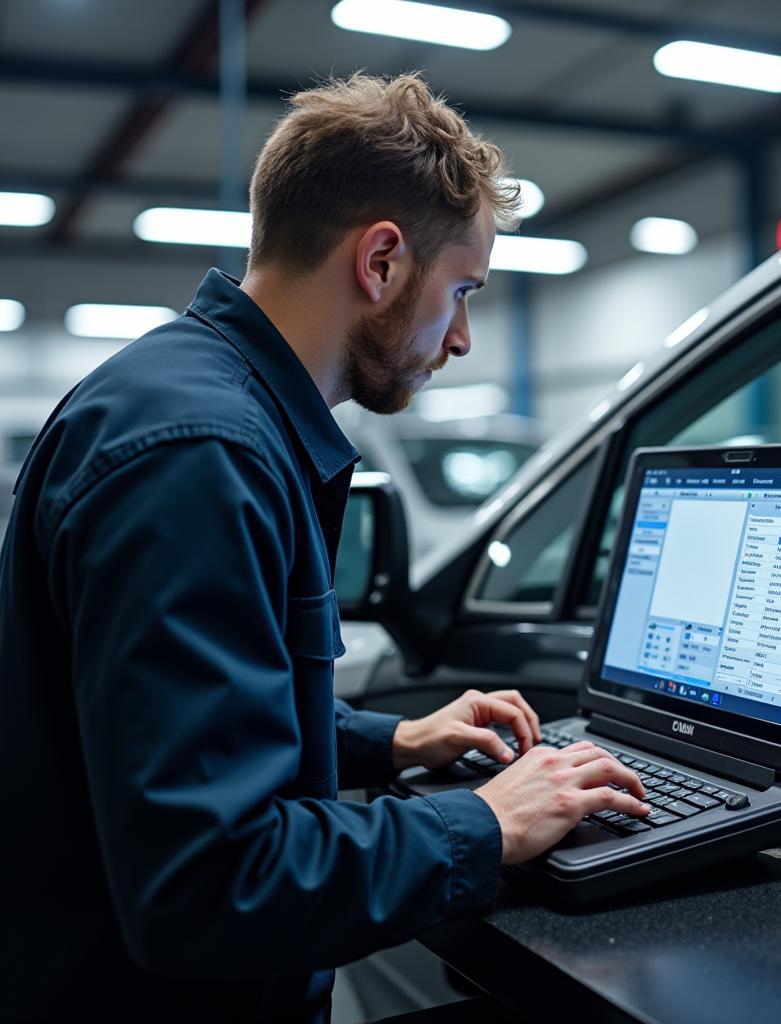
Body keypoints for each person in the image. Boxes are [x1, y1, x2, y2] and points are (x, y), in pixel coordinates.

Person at [0, 73, 648, 1022]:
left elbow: (177, 727)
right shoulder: (202, 457)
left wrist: (393, 742)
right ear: (381, 260)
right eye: (460, 290)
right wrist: (484, 820)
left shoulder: (187, 401)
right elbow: (210, 884)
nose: (462, 337)